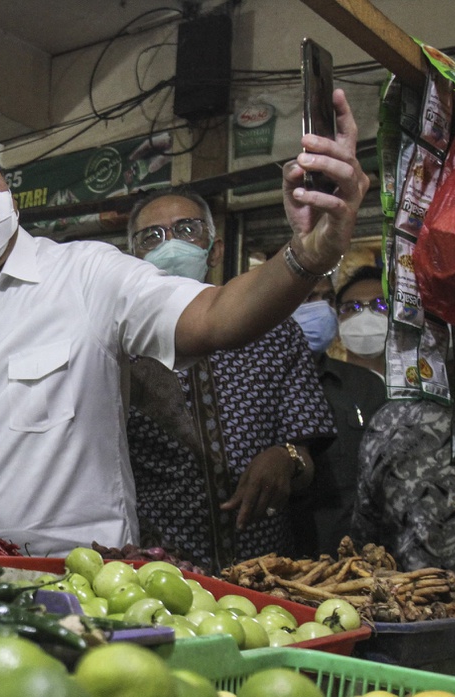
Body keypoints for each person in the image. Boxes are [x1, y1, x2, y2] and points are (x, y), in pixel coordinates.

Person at [0, 89, 368, 555]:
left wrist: (308, 254)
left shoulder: (87, 274)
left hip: (86, 580)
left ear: (9, 192)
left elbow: (214, 318)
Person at [125, 189, 335, 570]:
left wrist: (285, 458)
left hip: (264, 566)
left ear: (215, 250)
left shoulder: (274, 332)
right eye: (152, 237)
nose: (170, 246)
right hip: (157, 571)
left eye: (186, 230)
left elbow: (306, 461)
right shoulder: (122, 346)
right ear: (132, 258)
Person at [354, 399, 455, 601]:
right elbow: (365, 544)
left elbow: (364, 536)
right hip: (410, 605)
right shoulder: (392, 422)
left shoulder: (390, 421)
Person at [290, 266, 389, 556]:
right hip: (285, 555)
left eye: (327, 299)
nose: (320, 309)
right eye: (307, 298)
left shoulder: (365, 386)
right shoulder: (257, 383)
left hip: (356, 555)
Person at [334, 266, 388, 378]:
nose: (366, 316)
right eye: (352, 308)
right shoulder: (323, 385)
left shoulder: (419, 383)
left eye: (380, 305)